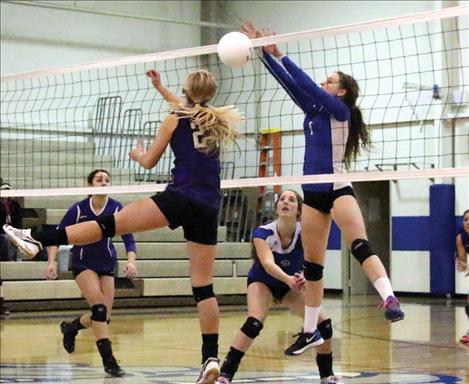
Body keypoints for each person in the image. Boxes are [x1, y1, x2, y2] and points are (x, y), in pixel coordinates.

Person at [3, 68, 242, 384]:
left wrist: (137, 154)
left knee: (106, 225)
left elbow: (149, 162)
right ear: (211, 93)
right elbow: (190, 109)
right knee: (203, 287)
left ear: (186, 90)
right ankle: (210, 358)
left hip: (179, 196)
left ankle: (34, 236)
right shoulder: (218, 121)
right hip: (209, 206)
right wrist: (160, 88)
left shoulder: (173, 120)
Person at [241, 21, 404, 349]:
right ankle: (310, 329)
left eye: (329, 81)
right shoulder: (313, 111)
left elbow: (305, 84)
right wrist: (260, 54)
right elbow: (290, 85)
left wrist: (281, 53)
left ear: (340, 91)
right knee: (313, 267)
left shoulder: (339, 110)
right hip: (312, 193)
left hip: (336, 186)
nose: (322, 83)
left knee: (359, 244)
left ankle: (389, 298)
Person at [216, 190, 341, 384]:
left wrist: (304, 277)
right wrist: (289, 279)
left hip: (290, 285)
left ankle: (327, 375)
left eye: (291, 200)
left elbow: (313, 262)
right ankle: (225, 374)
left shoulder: (305, 232)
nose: (285, 202)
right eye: (282, 199)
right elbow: (268, 264)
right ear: (276, 208)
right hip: (263, 281)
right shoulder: (263, 232)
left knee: (324, 325)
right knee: (254, 323)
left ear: (299, 210)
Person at [44, 169, 137, 377]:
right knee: (99, 310)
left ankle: (71, 327)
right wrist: (51, 262)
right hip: (83, 263)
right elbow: (57, 236)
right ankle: (109, 362)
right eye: (99, 180)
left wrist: (131, 261)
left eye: (107, 180)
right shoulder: (78, 209)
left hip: (107, 263)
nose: (104, 183)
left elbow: (129, 237)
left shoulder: (116, 207)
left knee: (104, 317)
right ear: (90, 184)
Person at [455, 209, 469, 344]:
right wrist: (461, 265)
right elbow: (462, 260)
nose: (468, 222)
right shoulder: (461, 238)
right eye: (465, 219)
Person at [0, 181, 21, 261]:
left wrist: (16, 232)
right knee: (5, 239)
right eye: (4, 190)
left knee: (23, 237)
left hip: (13, 231)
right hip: (2, 233)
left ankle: (18, 261)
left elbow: (18, 222)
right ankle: (9, 261)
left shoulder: (15, 205)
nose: (6, 192)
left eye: (7, 190)